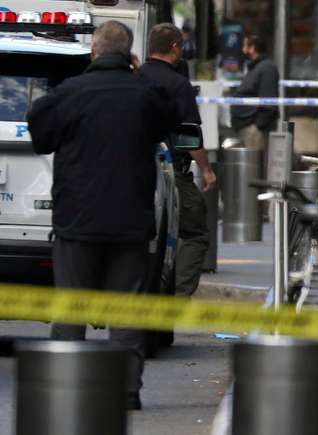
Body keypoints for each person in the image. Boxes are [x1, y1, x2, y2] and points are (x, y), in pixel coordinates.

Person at [27, 20, 175, 411]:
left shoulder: (70, 93)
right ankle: (125, 392)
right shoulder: (144, 93)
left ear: (93, 51)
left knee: (71, 310)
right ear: (128, 56)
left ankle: (67, 389)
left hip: (77, 221)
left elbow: (40, 132)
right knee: (127, 311)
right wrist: (138, 73)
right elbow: (169, 117)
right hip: (130, 223)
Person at [139, 23, 216, 300]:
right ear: (174, 47)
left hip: (133, 171)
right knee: (195, 234)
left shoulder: (135, 77)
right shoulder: (178, 84)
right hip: (171, 173)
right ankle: (176, 298)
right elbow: (188, 137)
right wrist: (206, 170)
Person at [230, 34, 279, 152]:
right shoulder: (256, 68)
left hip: (255, 132)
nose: (243, 50)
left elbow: (269, 102)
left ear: (252, 48)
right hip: (247, 129)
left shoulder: (267, 68)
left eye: (245, 46)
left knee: (256, 168)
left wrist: (257, 127)